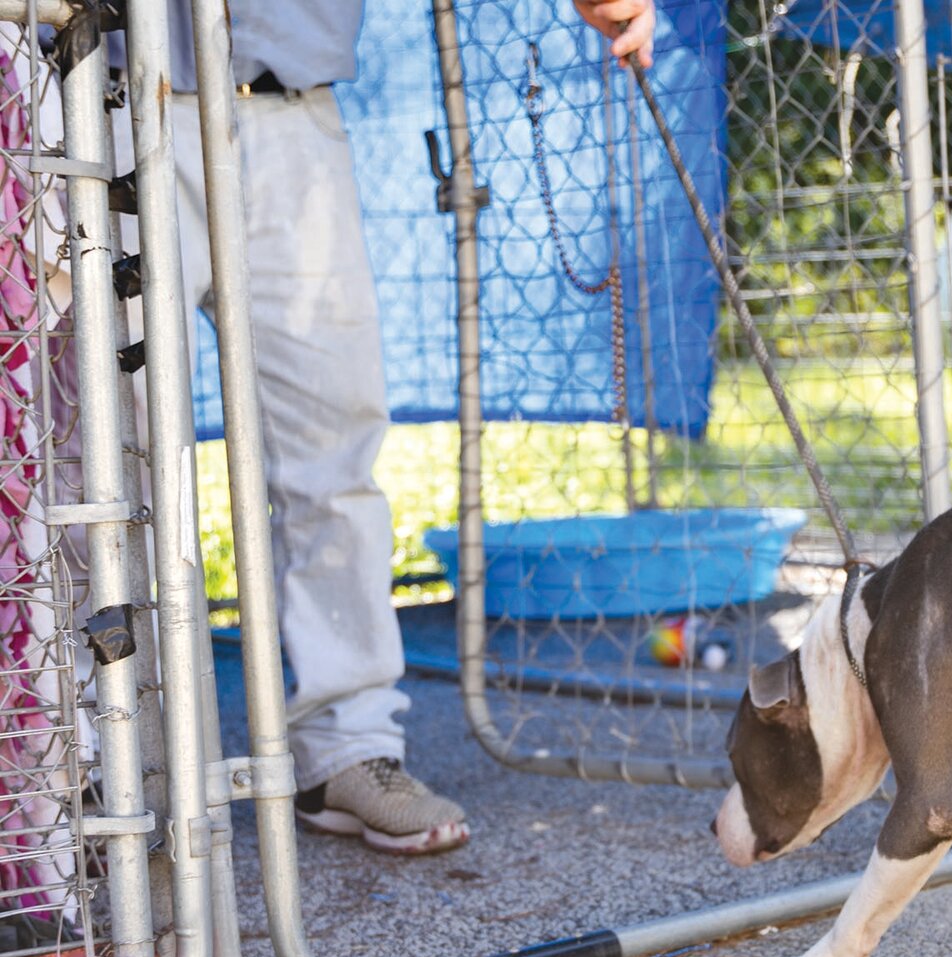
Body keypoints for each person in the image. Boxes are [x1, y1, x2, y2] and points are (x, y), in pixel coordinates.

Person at [155, 0, 658, 854]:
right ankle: (120, 764)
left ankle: (346, 748)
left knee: (334, 438)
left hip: (288, 106)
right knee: (115, 459)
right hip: (119, 96)